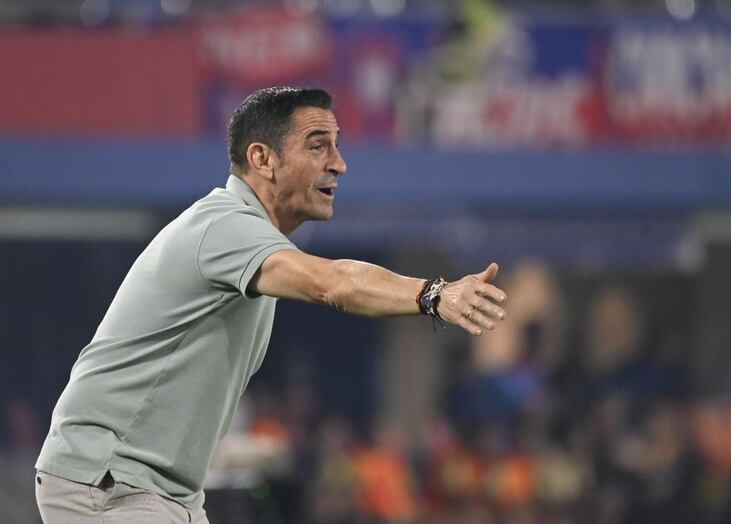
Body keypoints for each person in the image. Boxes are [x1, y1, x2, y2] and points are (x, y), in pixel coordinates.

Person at [34, 87, 507, 523]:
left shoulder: (249, 238)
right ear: (262, 158)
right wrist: (434, 294)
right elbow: (332, 284)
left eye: (337, 145)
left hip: (161, 492)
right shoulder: (224, 227)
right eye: (318, 145)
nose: (339, 164)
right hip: (110, 483)